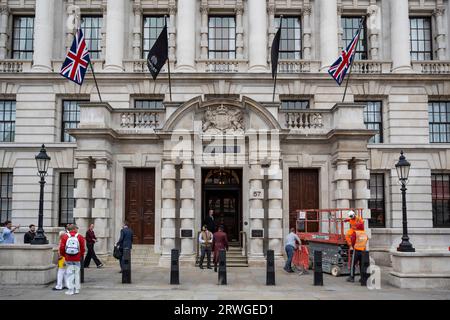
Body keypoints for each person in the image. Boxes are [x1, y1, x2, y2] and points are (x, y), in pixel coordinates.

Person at [59, 224, 85, 295]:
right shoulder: (80, 236)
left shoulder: (65, 236)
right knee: (76, 273)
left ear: (69, 229)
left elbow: (61, 247)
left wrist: (63, 255)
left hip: (68, 257)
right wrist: (81, 255)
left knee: (70, 274)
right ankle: (77, 289)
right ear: (75, 229)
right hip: (77, 257)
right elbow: (83, 248)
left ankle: (71, 290)